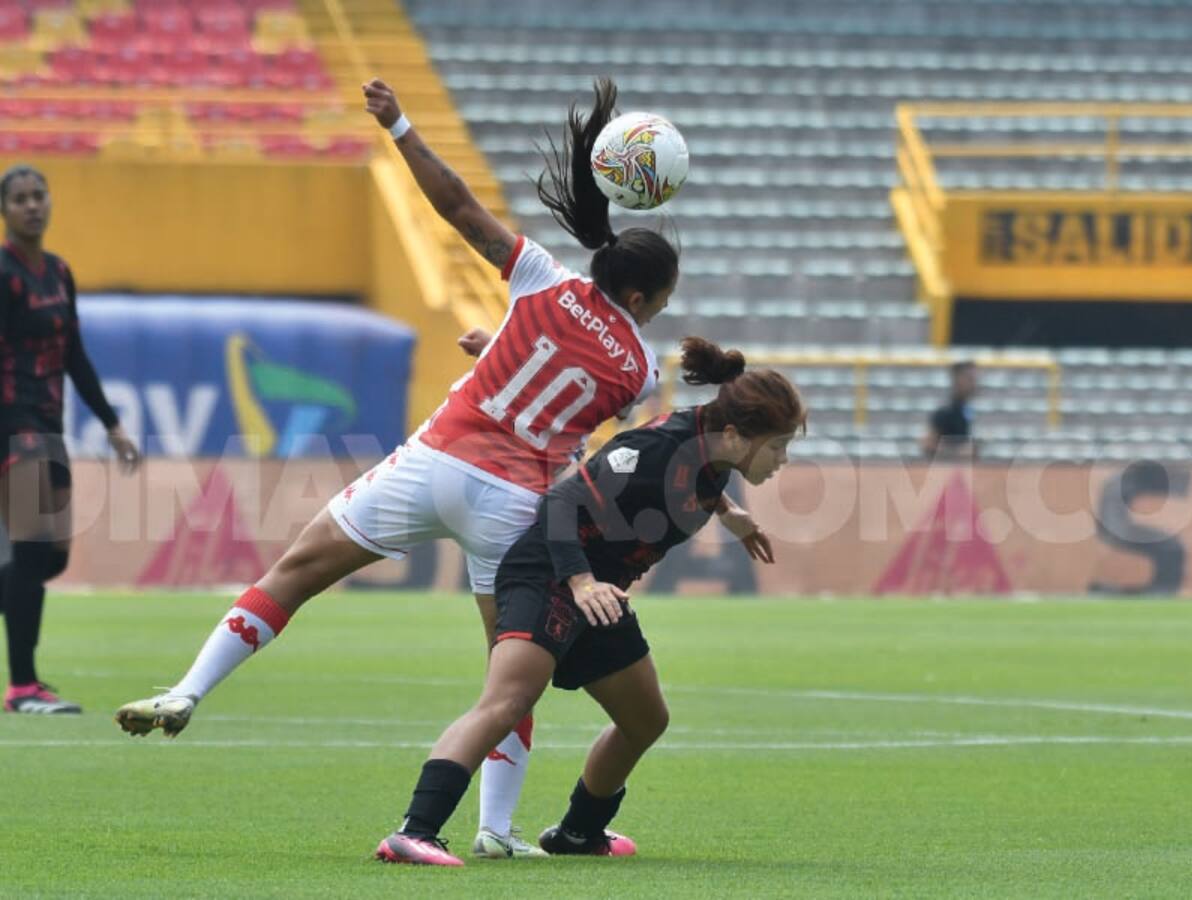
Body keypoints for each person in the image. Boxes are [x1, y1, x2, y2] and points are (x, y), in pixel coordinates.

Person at [116, 78, 768, 859]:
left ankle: (188, 688)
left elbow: (459, 206)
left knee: (295, 571)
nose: (661, 309)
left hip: (432, 460)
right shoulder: (638, 363)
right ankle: (494, 829)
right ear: (638, 294)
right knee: (509, 675)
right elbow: (575, 398)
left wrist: (399, 126)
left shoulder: (542, 278)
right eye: (660, 298)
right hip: (514, 501)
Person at [373, 337, 806, 866]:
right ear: (736, 435)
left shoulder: (713, 446)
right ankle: (413, 833)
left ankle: (579, 833)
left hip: (600, 590)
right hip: (552, 574)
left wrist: (729, 514)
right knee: (508, 700)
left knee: (646, 719)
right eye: (779, 446)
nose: (783, 459)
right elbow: (561, 500)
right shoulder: (653, 451)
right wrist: (579, 582)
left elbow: (697, 479)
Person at [0, 164, 140, 714]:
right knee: (33, 551)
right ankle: (23, 687)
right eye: (20, 199)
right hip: (14, 427)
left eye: (39, 196)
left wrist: (111, 423)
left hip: (50, 427)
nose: (32, 206)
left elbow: (75, 356)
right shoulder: (4, 274)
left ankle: (25, 684)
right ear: (6, 212)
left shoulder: (58, 272)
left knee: (50, 558)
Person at [921, 360, 978, 458]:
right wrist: (957, 452)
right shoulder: (946, 411)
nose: (974, 383)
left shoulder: (968, 409)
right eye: (970, 378)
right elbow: (928, 444)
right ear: (957, 379)